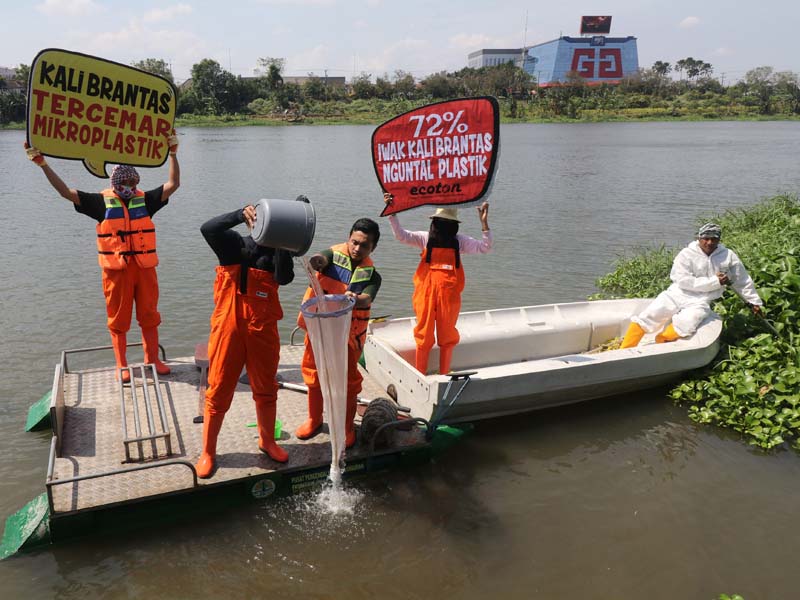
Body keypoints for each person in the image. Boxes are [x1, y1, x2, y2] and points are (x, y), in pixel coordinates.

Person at [195, 202, 297, 478]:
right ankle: (208, 452)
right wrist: (239, 214)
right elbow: (208, 228)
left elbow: (285, 277)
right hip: (228, 329)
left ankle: (267, 441)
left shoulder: (276, 250)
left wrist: (283, 243)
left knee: (266, 388)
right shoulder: (232, 244)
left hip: (263, 331)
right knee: (218, 391)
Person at [295, 218, 382, 448]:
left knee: (349, 383)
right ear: (348, 238)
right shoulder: (333, 255)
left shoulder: (372, 275)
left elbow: (367, 298)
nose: (357, 248)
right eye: (354, 242)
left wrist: (356, 298)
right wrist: (316, 262)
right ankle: (314, 420)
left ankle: (346, 428)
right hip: (319, 328)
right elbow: (320, 259)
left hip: (347, 336)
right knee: (313, 374)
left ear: (373, 247)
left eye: (364, 245)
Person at [383, 193, 492, 375]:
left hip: (449, 297)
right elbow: (401, 236)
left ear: (454, 226)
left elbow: (485, 247)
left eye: (446, 223)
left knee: (447, 335)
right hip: (425, 294)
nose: (443, 226)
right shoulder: (425, 239)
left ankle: (444, 374)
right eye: (440, 222)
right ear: (434, 223)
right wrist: (392, 213)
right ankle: (419, 375)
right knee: (423, 334)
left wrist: (484, 223)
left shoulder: (460, 242)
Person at [620, 222, 763, 348]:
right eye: (705, 239)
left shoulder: (728, 255)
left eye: (714, 239)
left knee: (687, 324)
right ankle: (625, 348)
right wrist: (715, 281)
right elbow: (682, 280)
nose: (709, 243)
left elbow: (742, 280)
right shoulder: (686, 254)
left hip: (701, 300)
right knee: (649, 315)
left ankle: (661, 341)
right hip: (677, 293)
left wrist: (754, 302)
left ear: (719, 240)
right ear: (699, 238)